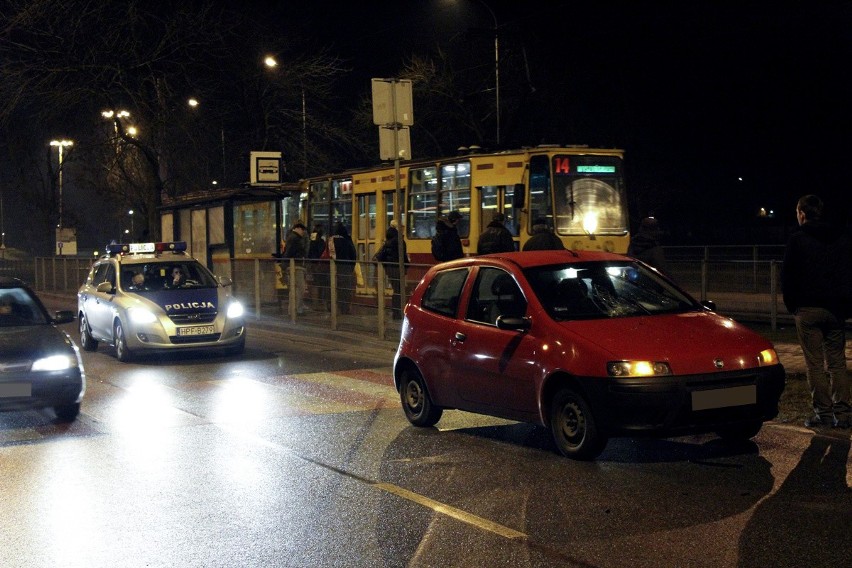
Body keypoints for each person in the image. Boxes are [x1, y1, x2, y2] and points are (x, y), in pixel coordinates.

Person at [782, 195, 852, 429]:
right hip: (835, 310)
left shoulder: (797, 240)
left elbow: (788, 277)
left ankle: (823, 413)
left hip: (808, 310)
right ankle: (842, 414)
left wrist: (793, 305)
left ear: (802, 213)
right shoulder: (841, 238)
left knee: (814, 364)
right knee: (837, 363)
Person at [374, 225, 408, 319]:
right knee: (399, 290)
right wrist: (407, 266)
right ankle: (398, 312)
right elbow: (403, 256)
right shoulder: (400, 242)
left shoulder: (387, 243)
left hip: (390, 269)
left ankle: (396, 312)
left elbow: (380, 256)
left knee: (396, 290)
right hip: (398, 268)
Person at [327, 222, 357, 314]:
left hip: (332, 268)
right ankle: (344, 308)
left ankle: (331, 306)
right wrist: (351, 267)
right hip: (345, 267)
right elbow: (353, 254)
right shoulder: (346, 240)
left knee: (332, 287)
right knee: (344, 289)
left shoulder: (330, 240)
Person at [282, 221, 309, 315]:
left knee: (294, 289)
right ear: (298, 228)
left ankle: (292, 310)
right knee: (300, 288)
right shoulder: (295, 238)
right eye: (302, 230)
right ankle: (297, 310)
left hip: (292, 266)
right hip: (296, 266)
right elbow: (292, 252)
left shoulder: (291, 237)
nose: (303, 233)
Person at [307, 223, 328, 310]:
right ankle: (321, 302)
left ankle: (315, 303)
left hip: (313, 264)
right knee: (322, 284)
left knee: (315, 283)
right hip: (321, 265)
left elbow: (309, 252)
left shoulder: (311, 241)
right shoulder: (321, 242)